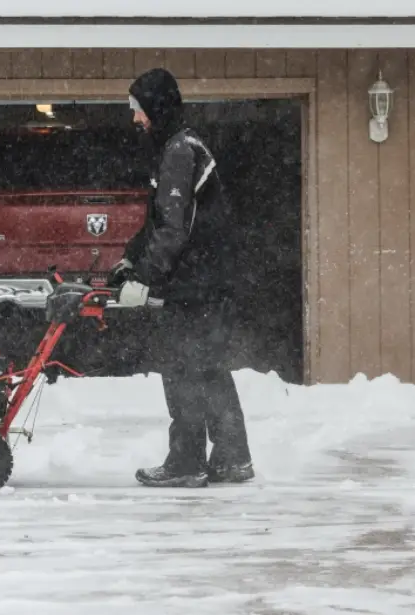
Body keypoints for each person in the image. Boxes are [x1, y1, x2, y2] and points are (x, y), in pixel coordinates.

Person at [107, 68, 255, 488]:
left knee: (183, 369)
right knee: (207, 367)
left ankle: (188, 462)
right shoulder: (182, 146)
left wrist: (147, 278)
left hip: (198, 284)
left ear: (156, 108)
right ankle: (232, 458)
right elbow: (159, 222)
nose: (136, 119)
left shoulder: (178, 152)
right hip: (207, 280)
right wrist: (130, 260)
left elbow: (174, 231)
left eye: (138, 110)